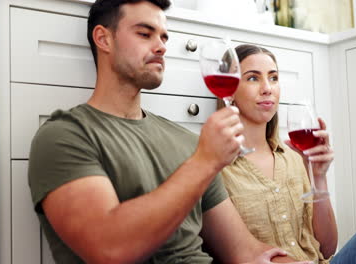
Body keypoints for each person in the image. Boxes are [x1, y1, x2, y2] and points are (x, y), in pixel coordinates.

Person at [27, 0, 314, 263]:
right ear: (104, 39)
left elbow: (246, 251)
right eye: (145, 33)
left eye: (164, 37)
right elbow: (109, 249)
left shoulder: (187, 142)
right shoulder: (65, 136)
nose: (162, 46)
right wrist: (205, 162)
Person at [221, 43, 356, 264]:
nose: (267, 88)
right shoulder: (218, 167)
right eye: (253, 78)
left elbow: (327, 248)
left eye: (273, 78)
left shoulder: (293, 158)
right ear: (229, 90)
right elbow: (228, 251)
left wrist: (319, 176)